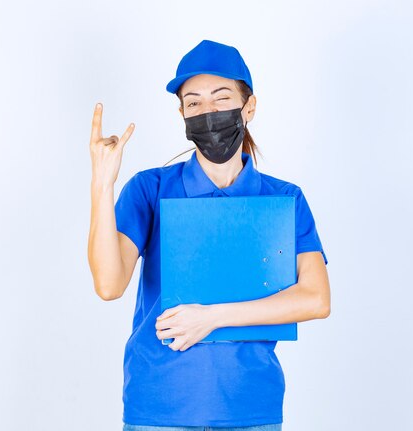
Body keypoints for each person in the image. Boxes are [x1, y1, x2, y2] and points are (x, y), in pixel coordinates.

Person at [88, 40, 331, 431]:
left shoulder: (284, 199)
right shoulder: (151, 189)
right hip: (160, 406)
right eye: (194, 103)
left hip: (250, 406)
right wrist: (102, 184)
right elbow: (108, 284)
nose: (208, 112)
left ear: (248, 108)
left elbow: (316, 298)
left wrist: (212, 318)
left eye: (221, 99)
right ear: (182, 113)